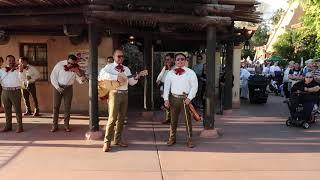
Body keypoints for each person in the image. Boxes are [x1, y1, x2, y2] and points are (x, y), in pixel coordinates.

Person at [100, 49, 141, 152]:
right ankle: (106, 143)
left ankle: (117, 140)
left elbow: (131, 82)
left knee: (121, 119)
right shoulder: (108, 67)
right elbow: (101, 76)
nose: (121, 58)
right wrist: (116, 77)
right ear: (114, 56)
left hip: (125, 94)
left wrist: (136, 78)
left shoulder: (126, 69)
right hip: (114, 94)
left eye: (122, 56)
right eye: (119, 56)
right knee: (112, 118)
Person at [163, 53, 198, 148]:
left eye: (182, 59)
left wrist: (189, 98)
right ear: (175, 61)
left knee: (187, 121)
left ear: (185, 60)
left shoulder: (191, 72)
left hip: (185, 99)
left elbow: (194, 86)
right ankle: (172, 138)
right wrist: (166, 99)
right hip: (173, 98)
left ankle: (189, 139)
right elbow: (166, 87)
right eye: (178, 59)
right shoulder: (170, 73)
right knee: (173, 120)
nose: (180, 61)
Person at [50, 54, 86, 132]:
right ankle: (54, 125)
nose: (70, 65)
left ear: (75, 62)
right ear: (67, 60)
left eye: (72, 63)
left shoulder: (75, 68)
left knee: (67, 107)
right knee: (56, 107)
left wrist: (77, 72)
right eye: (69, 63)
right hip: (58, 87)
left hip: (68, 88)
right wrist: (57, 87)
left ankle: (66, 125)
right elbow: (53, 76)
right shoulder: (60, 65)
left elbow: (81, 81)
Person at [0, 55, 24, 133]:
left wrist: (20, 71)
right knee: (7, 110)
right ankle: (8, 126)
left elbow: (22, 79)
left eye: (12, 60)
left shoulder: (18, 70)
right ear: (6, 61)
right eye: (9, 60)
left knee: (17, 110)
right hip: (5, 91)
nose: (11, 62)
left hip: (15, 91)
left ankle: (20, 127)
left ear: (14, 61)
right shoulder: (2, 70)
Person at [156, 53, 174, 124]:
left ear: (172, 59)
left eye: (168, 60)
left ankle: (172, 119)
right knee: (166, 104)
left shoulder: (175, 68)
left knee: (171, 104)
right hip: (164, 87)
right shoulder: (165, 67)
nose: (167, 61)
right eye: (166, 60)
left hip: (172, 88)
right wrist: (158, 80)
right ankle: (168, 119)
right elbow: (160, 75)